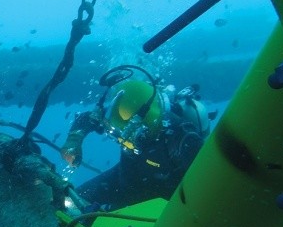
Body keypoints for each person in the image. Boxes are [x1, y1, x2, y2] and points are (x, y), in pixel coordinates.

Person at [60, 65, 212, 209]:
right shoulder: (124, 113)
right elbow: (88, 118)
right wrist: (74, 141)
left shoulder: (182, 138)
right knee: (70, 204)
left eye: (128, 138)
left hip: (165, 199)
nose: (124, 142)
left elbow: (209, 183)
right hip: (124, 179)